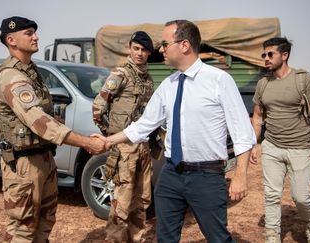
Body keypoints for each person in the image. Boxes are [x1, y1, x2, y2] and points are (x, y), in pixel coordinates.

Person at [100, 19, 256, 242]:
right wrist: (108, 141)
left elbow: (242, 133)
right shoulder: (168, 85)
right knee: (166, 238)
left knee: (218, 238)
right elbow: (144, 125)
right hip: (171, 175)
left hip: (207, 176)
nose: (160, 49)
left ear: (184, 45)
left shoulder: (219, 80)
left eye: (165, 44)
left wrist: (241, 176)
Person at [0, 16, 106, 242]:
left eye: (34, 32)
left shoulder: (31, 72)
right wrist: (88, 142)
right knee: (24, 229)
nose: (36, 36)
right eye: (29, 33)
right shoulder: (12, 77)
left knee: (44, 222)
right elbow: (39, 122)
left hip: (42, 158)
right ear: (11, 40)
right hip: (23, 165)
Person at [250, 37, 310, 243]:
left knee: (301, 197)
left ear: (285, 55)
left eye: (270, 54)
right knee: (272, 195)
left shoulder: (303, 79)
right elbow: (257, 117)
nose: (266, 58)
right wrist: (253, 144)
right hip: (272, 147)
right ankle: (272, 235)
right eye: (263, 54)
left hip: (300, 147)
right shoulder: (263, 84)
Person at [92, 31, 155, 242]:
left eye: (144, 50)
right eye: (136, 48)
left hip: (143, 146)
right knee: (122, 202)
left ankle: (137, 237)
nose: (139, 53)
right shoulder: (120, 74)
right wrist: (110, 135)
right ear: (130, 48)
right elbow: (98, 107)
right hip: (124, 147)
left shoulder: (147, 79)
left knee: (143, 199)